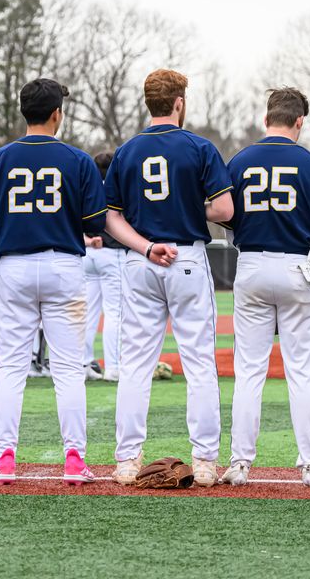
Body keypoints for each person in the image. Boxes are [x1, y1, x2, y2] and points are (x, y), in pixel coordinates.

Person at [0, 79, 106, 486]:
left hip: (12, 266)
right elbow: (95, 223)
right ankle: (74, 459)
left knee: (10, 368)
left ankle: (5, 458)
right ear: (56, 114)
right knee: (68, 369)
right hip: (64, 266)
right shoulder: (79, 160)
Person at [104, 69, 233, 487]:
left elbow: (111, 217)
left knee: (136, 365)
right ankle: (205, 462)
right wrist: (190, 207)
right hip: (187, 258)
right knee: (199, 363)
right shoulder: (199, 146)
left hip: (141, 260)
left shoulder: (126, 151)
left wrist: (144, 247)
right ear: (179, 102)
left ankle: (126, 460)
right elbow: (225, 210)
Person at [220, 88, 310, 488]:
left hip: (251, 264)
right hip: (297, 266)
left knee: (249, 372)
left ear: (266, 117)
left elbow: (227, 218)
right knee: (302, 373)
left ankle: (239, 463)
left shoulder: (239, 161)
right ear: (300, 121)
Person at [82, 150, 127, 382]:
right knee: (114, 312)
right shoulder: (115, 185)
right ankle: (113, 367)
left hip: (87, 251)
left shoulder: (87, 185)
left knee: (87, 313)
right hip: (112, 253)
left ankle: (85, 364)